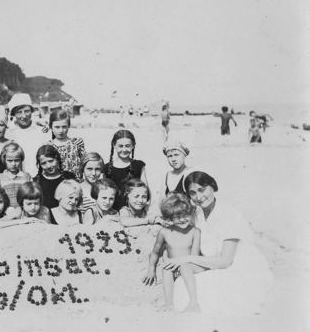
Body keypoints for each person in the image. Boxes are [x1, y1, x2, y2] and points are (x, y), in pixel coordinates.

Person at [164, 171, 273, 315]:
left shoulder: (229, 214)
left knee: (211, 289)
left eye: (202, 190)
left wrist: (187, 259)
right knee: (181, 282)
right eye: (193, 193)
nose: (199, 197)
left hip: (237, 266)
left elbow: (226, 261)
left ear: (212, 186)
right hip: (211, 263)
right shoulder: (196, 214)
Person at [142, 193, 201, 312]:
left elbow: (195, 256)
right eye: (177, 217)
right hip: (173, 267)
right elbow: (155, 252)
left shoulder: (195, 231)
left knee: (184, 266)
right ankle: (169, 303)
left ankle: (194, 302)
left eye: (185, 215)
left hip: (190, 265)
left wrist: (183, 266)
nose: (182, 219)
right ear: (170, 218)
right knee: (166, 267)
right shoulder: (164, 232)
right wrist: (151, 269)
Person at [103, 129, 148, 210]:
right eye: (120, 146)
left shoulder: (138, 165)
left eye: (127, 146)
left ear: (133, 145)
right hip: (112, 212)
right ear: (114, 145)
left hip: (135, 211)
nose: (124, 150)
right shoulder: (106, 168)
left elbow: (146, 191)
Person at [5, 93, 46, 174]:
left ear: (31, 111)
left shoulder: (41, 130)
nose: (23, 116)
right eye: (19, 112)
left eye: (27, 111)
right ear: (14, 114)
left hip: (39, 175)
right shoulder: (9, 133)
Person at [33, 144, 76, 209]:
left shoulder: (69, 177)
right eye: (43, 163)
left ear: (57, 158)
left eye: (51, 161)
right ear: (39, 164)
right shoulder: (37, 181)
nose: (48, 166)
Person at [47, 110, 86, 180]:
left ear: (69, 126)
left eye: (64, 127)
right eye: (57, 127)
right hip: (56, 186)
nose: (61, 130)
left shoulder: (76, 143)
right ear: (50, 126)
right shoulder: (48, 146)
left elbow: (85, 164)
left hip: (75, 185)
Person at [0, 142, 32, 209]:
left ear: (21, 160)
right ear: (4, 160)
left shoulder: (26, 177)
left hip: (23, 212)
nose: (13, 164)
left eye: (16, 160)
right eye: (10, 161)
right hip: (5, 213)